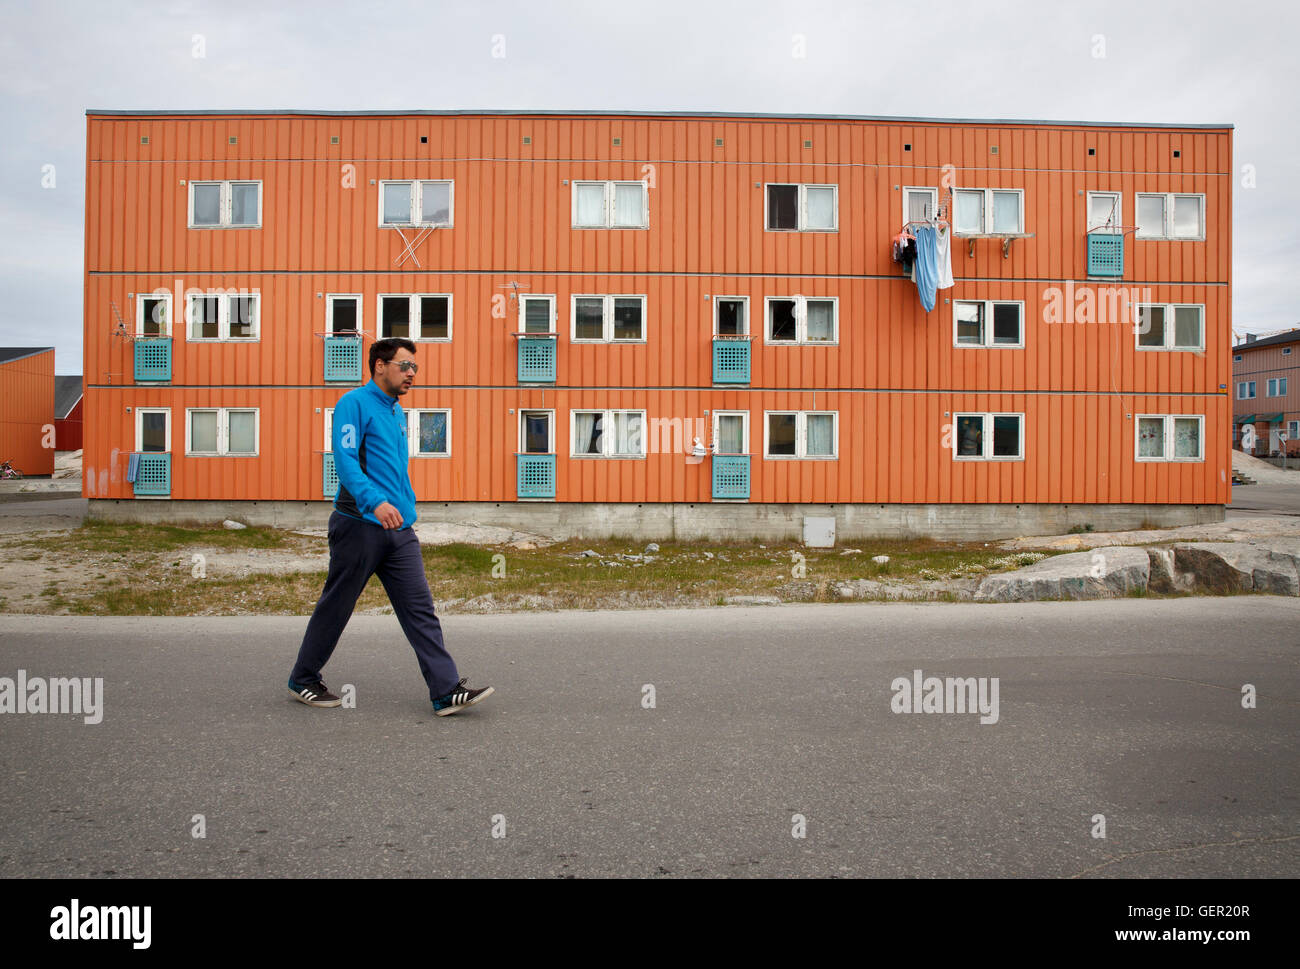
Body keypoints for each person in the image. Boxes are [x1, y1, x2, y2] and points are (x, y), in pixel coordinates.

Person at [287, 337, 494, 716]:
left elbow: (393, 470)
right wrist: (375, 502)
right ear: (380, 365)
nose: (412, 373)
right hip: (358, 525)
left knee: (420, 609)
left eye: (415, 367)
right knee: (337, 606)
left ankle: (445, 690)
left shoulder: (396, 412)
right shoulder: (354, 404)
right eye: (405, 365)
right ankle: (303, 678)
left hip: (398, 531)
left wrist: (404, 507)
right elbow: (345, 461)